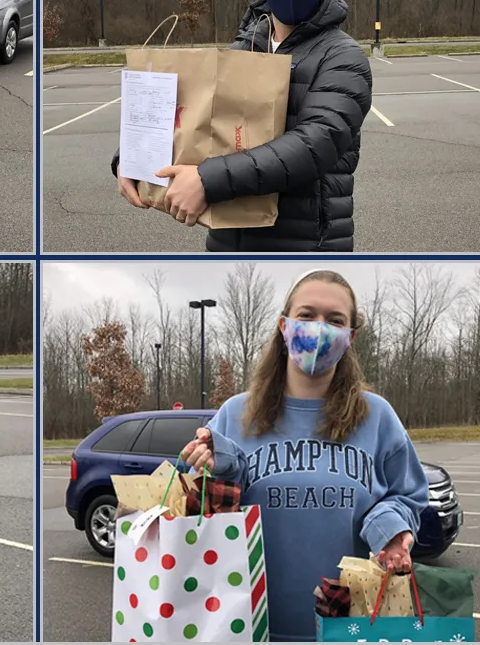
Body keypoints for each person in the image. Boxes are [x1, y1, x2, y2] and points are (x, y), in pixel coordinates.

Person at [181, 269, 428, 642]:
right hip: (245, 625)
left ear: (350, 337)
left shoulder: (377, 417)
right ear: (283, 326)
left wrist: (390, 531)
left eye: (335, 320)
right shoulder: (234, 415)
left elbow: (408, 496)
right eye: (307, 315)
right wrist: (218, 471)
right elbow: (199, 512)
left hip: (351, 627)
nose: (319, 329)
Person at [114, 0, 372, 252]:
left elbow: (316, 144)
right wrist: (130, 159)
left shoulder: (342, 55)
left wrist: (207, 181)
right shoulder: (243, 51)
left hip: (304, 241)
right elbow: (190, 115)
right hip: (227, 234)